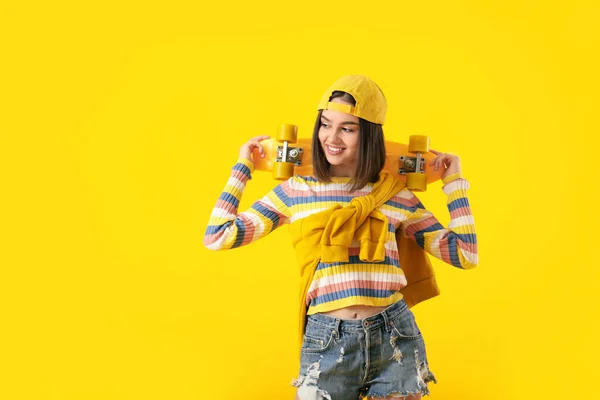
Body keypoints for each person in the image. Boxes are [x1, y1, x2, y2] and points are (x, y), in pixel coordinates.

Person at [204, 74, 478, 399]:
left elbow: (464, 255)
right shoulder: (295, 192)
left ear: (371, 135)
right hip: (327, 340)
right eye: (325, 124)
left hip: (395, 337)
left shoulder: (394, 194)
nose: (331, 137)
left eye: (347, 128)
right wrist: (242, 168)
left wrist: (454, 182)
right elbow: (218, 236)